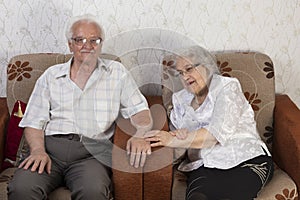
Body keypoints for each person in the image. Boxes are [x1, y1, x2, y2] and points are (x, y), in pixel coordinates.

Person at [8, 14, 153, 200]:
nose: (88, 46)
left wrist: (140, 134)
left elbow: (140, 110)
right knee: (21, 189)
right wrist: (38, 151)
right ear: (70, 44)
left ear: (101, 44)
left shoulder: (117, 73)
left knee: (93, 192)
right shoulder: (50, 76)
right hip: (48, 149)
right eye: (80, 40)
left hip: (91, 155)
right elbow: (34, 121)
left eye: (94, 40)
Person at [146, 46, 274, 200]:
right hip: (205, 165)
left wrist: (173, 139)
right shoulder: (180, 100)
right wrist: (178, 141)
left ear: (207, 66)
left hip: (245, 159)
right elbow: (178, 152)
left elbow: (215, 135)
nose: (185, 77)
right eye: (180, 73)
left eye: (189, 69)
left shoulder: (227, 87)